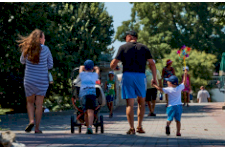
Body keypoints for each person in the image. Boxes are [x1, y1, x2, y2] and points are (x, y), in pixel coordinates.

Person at [110, 30, 157, 135]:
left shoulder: (123, 47)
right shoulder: (144, 47)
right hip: (140, 76)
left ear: (129, 36)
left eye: (126, 37)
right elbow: (152, 64)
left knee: (129, 104)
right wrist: (154, 78)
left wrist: (113, 67)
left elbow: (113, 63)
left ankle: (131, 128)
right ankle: (139, 126)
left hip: (127, 76)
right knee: (141, 103)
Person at [18, 29, 53, 133]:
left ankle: (31, 121)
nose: (44, 39)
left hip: (29, 79)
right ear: (40, 38)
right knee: (39, 104)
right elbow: (50, 65)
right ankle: (37, 128)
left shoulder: (27, 48)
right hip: (42, 80)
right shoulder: (46, 49)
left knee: (29, 102)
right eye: (43, 37)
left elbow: (22, 61)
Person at [153, 69, 188, 136]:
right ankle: (178, 132)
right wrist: (185, 74)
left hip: (171, 106)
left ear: (171, 83)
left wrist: (154, 85)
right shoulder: (179, 88)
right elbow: (184, 82)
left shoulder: (168, 89)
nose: (167, 82)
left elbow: (160, 89)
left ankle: (167, 126)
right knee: (178, 120)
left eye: (168, 81)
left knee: (169, 119)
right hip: (178, 106)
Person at [79, 60, 100, 134]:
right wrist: (96, 68)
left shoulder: (82, 75)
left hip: (84, 94)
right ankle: (90, 127)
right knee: (91, 111)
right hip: (92, 94)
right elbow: (97, 71)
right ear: (92, 68)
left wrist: (82, 67)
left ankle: (87, 126)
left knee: (85, 111)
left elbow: (80, 69)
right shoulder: (94, 75)